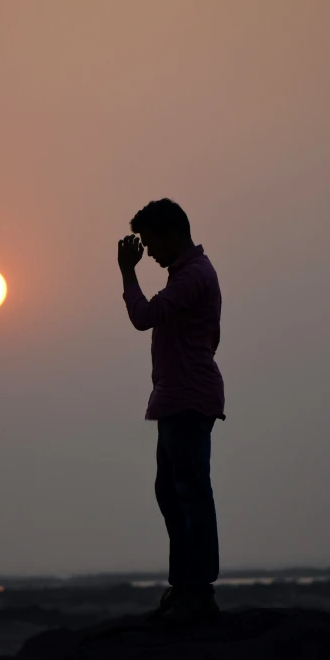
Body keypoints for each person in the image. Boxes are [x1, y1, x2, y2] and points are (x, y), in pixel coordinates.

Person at [118, 198, 225, 623]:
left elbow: (145, 317)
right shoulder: (186, 276)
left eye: (151, 243)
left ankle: (197, 589)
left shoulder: (194, 276)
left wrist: (127, 271)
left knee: (190, 493)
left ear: (172, 234)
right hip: (176, 398)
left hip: (188, 399)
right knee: (172, 493)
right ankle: (185, 585)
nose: (150, 253)